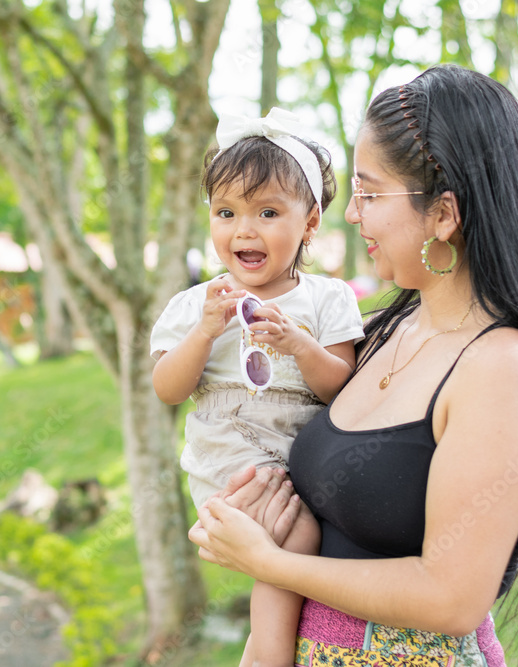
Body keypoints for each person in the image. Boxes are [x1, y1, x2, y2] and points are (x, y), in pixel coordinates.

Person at [188, 63, 518, 666]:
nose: (353, 214)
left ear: (443, 214)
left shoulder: (505, 370)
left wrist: (267, 561)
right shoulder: (384, 331)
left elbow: (450, 598)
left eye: (369, 193)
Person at [151, 108, 364, 667]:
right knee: (296, 535)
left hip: (302, 455)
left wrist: (300, 345)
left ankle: (265, 650)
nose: (244, 230)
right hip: (230, 454)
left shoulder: (327, 299)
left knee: (305, 533)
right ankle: (270, 653)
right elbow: (167, 388)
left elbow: (342, 389)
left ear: (310, 223)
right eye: (226, 212)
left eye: (268, 212)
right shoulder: (197, 304)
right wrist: (204, 332)